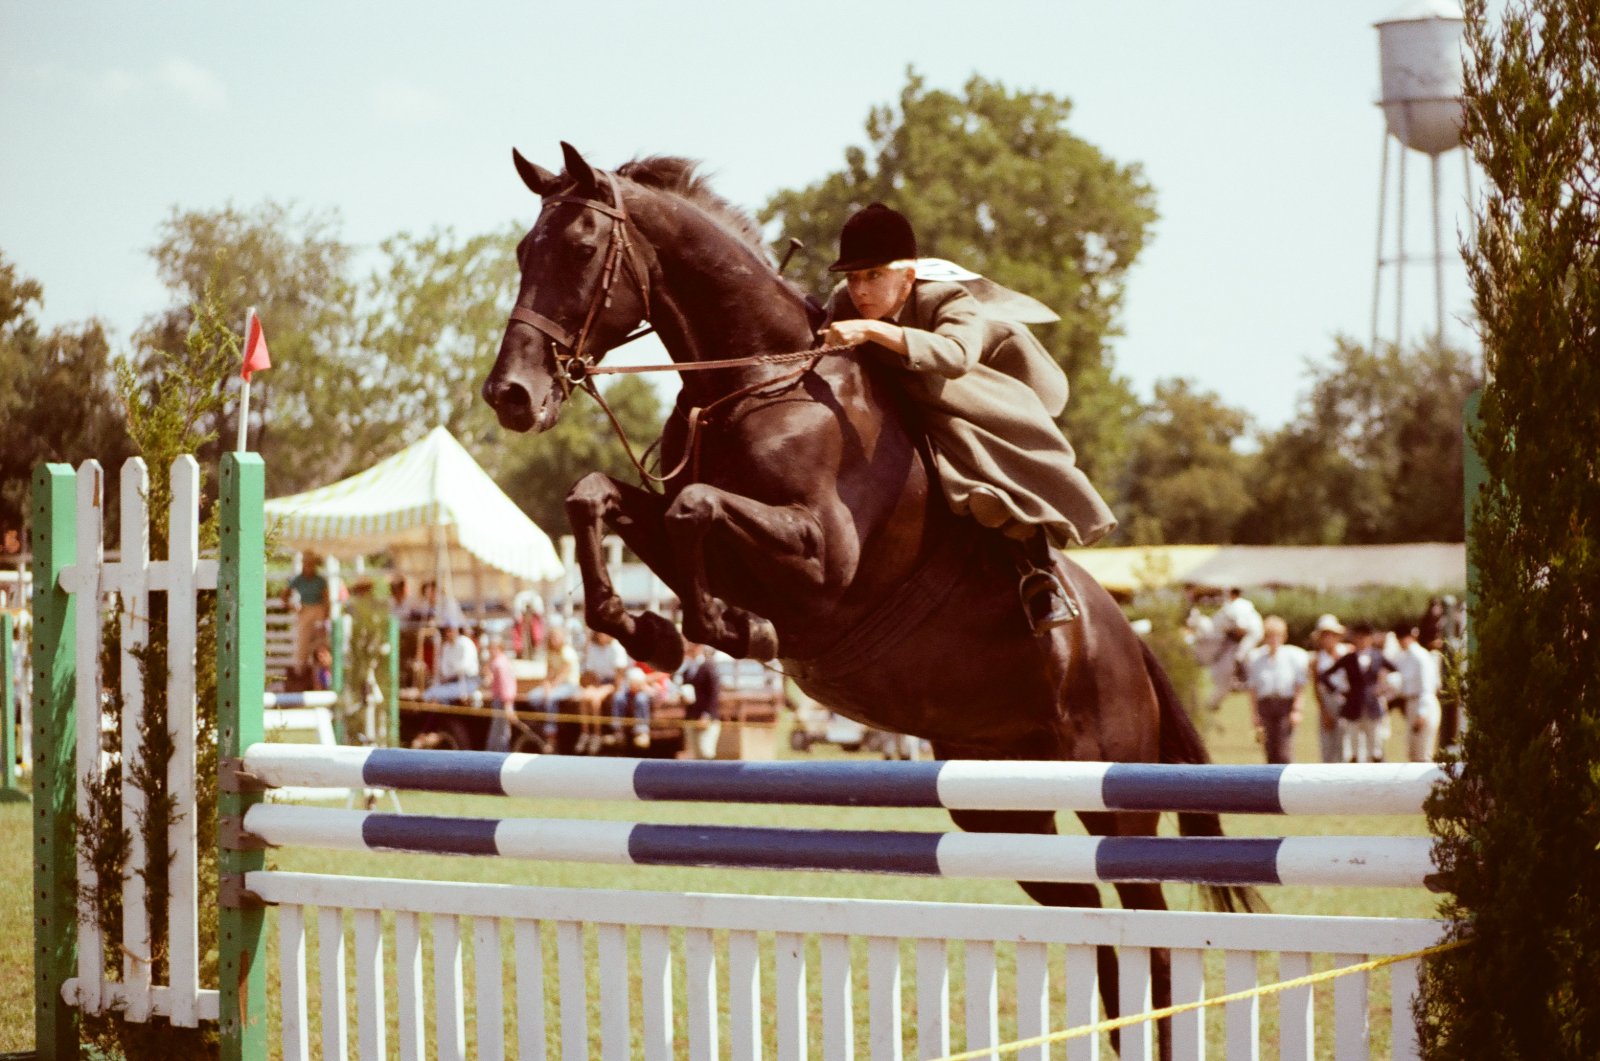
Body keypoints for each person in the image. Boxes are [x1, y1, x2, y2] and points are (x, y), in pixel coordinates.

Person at [819, 203, 1116, 643]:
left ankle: (1039, 576)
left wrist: (872, 332)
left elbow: (956, 356)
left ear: (908, 276)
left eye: (874, 276)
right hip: (900, 400)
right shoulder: (845, 303)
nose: (860, 290)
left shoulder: (948, 296)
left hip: (969, 396)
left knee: (984, 489)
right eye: (853, 277)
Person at [1320, 621, 1397, 763]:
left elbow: (1396, 670)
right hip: (1353, 706)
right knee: (1353, 747)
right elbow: (1324, 675)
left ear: (1370, 638)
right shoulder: (1349, 658)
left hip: (1372, 705)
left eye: (1365, 637)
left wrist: (1384, 688)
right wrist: (1338, 691)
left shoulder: (1378, 656)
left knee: (1376, 746)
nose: (1361, 640)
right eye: (1358, 637)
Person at [1243, 615, 1310, 764]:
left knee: (1284, 749)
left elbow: (1299, 685)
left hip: (1285, 704)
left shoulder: (1293, 656)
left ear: (1283, 637)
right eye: (1270, 636)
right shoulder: (1256, 658)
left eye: (1277, 636)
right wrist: (1255, 713)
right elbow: (1253, 688)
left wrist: (1297, 709)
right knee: (1269, 748)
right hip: (1266, 705)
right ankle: (1272, 785)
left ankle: (1288, 782)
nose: (1273, 640)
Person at [1388, 624, 1442, 761]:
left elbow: (1428, 687)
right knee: (1413, 753)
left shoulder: (1420, 656)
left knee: (1423, 753)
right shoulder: (1404, 657)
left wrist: (1422, 712)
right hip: (1411, 703)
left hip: (1423, 703)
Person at [575, 630, 629, 754]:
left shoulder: (617, 647)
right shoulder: (593, 648)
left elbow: (619, 676)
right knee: (584, 697)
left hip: (613, 682)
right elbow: (590, 672)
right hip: (597, 681)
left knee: (595, 700)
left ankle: (597, 735)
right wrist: (594, 685)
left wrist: (607, 688)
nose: (602, 636)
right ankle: (585, 733)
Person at [1308, 614, 1350, 764]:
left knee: (1345, 745)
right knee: (1327, 747)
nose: (1328, 638)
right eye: (1324, 635)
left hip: (1346, 701)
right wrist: (1324, 712)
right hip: (1328, 701)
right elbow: (1316, 688)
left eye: (1331, 634)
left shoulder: (1347, 652)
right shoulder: (1317, 659)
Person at [528, 625, 579, 743]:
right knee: (533, 697)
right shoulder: (550, 653)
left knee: (550, 697)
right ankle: (544, 721)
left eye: (556, 637)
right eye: (552, 638)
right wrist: (546, 684)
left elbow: (564, 673)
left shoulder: (567, 651)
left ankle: (551, 731)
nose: (554, 640)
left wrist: (551, 687)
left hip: (569, 685)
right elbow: (549, 672)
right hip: (555, 685)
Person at [282, 553, 329, 676]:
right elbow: (284, 595)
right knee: (302, 644)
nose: (309, 567)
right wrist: (292, 607)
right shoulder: (298, 579)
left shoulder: (320, 580)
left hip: (318, 610)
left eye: (312, 564)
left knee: (321, 645)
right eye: (307, 564)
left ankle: (322, 675)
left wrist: (325, 616)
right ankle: (300, 674)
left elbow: (326, 599)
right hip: (305, 610)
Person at [423, 623, 480, 703]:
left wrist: (453, 671)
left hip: (468, 681)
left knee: (431, 694)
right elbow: (445, 669)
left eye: (451, 631)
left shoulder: (465, 643)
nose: (449, 634)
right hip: (452, 682)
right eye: (447, 631)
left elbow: (465, 666)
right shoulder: (447, 647)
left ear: (456, 631)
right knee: (432, 694)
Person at [1215, 587, 1264, 680]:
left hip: (1253, 633)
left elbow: (1241, 628)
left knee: (1239, 655)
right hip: (1254, 631)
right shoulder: (1243, 603)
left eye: (1228, 594)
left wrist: (1229, 632)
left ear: (1232, 594)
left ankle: (1243, 679)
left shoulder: (1236, 606)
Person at [484, 638, 520, 753]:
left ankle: (497, 753)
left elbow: (506, 684)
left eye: (492, 649)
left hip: (502, 700)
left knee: (500, 730)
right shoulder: (501, 662)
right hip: (500, 699)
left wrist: (508, 704)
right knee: (500, 729)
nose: (490, 651)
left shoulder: (499, 664)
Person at [609, 666, 653, 749]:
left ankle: (642, 732)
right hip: (627, 696)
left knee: (641, 699)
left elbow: (653, 693)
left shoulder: (642, 693)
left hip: (640, 697)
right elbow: (622, 689)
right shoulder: (625, 690)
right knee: (618, 697)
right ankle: (618, 731)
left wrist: (647, 689)